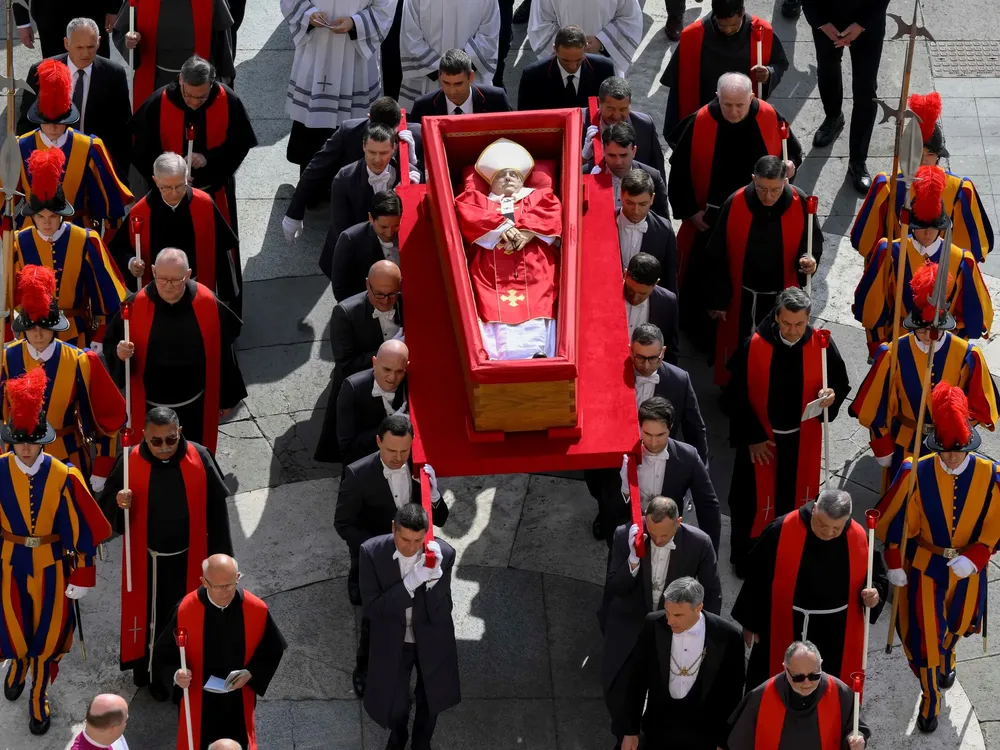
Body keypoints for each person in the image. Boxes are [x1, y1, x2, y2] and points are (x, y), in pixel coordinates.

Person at [876, 382, 1000, 733]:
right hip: (925, 567)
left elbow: (996, 524)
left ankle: (949, 656)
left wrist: (977, 554)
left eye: (957, 451)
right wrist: (894, 556)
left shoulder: (991, 476)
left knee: (957, 626)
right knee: (927, 637)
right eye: (945, 451)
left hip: (968, 571)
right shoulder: (915, 471)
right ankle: (930, 696)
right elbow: (895, 519)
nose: (951, 458)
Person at [0, 367, 111, 735]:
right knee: (15, 624)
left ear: (43, 441)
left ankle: (38, 692)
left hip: (53, 565)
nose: (25, 448)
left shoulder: (65, 475)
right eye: (19, 441)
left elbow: (82, 526)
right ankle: (18, 663)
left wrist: (84, 571)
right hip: (10, 564)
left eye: (32, 441)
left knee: (50, 632)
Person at [100, 406, 234, 699]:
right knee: (151, 623)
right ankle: (150, 672)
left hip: (190, 560)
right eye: (156, 440)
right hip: (149, 563)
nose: (164, 447)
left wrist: (224, 562)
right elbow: (107, 512)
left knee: (188, 621)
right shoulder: (130, 461)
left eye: (171, 439)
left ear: (179, 432)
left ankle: (182, 676)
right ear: (144, 435)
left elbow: (217, 514)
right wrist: (119, 504)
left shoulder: (199, 457)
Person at [725, 288, 850, 574]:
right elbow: (736, 395)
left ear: (808, 319)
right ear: (776, 318)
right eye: (786, 323)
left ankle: (789, 556)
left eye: (799, 324)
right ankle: (748, 560)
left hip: (800, 441)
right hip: (762, 442)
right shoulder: (754, 346)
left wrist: (830, 395)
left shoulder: (821, 345)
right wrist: (753, 438)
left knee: (794, 501)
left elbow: (839, 383)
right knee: (750, 502)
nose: (792, 331)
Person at [668, 72, 800, 318]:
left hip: (758, 215)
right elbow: (680, 172)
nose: (734, 111)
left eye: (740, 105)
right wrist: (691, 211)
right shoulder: (701, 121)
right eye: (727, 104)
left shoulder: (769, 116)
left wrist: (790, 164)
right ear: (717, 97)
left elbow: (791, 151)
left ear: (751, 97)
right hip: (709, 218)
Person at [851, 266, 999, 483]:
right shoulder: (893, 353)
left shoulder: (968, 355)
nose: (929, 336)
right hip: (905, 442)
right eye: (922, 330)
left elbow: (982, 404)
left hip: (948, 446)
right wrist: (882, 445)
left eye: (935, 330)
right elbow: (876, 405)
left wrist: (958, 430)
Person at [334, 415, 447, 696]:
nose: (398, 458)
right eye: (391, 450)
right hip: (378, 556)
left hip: (415, 554)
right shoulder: (357, 474)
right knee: (374, 620)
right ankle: (364, 669)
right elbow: (344, 523)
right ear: (378, 442)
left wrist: (434, 495)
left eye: (404, 451)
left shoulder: (420, 468)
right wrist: (376, 550)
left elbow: (441, 518)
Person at [733, 490, 887, 692]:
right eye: (823, 524)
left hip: (835, 632)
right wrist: (750, 622)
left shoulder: (859, 539)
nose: (828, 532)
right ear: (814, 509)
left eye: (836, 528)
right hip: (785, 622)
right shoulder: (782, 529)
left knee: (828, 689)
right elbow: (757, 576)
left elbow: (877, 578)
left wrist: (874, 595)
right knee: (773, 683)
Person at [602, 503, 723, 747]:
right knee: (621, 690)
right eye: (652, 534)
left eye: (664, 535)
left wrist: (701, 633)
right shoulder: (624, 535)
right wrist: (632, 561)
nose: (657, 541)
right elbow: (614, 588)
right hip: (631, 625)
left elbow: (712, 593)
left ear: (678, 522)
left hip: (672, 626)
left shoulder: (700, 543)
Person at [104, 248, 247, 455]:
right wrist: (120, 353)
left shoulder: (206, 302)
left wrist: (227, 397)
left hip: (195, 407)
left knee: (194, 458)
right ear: (153, 271)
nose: (168, 286)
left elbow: (224, 350)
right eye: (162, 279)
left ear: (188, 275)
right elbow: (111, 344)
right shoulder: (135, 305)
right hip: (149, 408)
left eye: (175, 280)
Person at [3, 265, 126, 490]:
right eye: (31, 327)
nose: (38, 334)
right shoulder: (5, 359)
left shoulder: (81, 360)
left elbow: (108, 418)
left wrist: (102, 464)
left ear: (55, 326)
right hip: (17, 459)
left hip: (68, 458)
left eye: (44, 326)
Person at [705, 155, 823, 386]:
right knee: (740, 349)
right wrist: (718, 299)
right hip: (743, 296)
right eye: (762, 189)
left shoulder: (799, 202)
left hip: (780, 296)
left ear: (785, 182)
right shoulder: (735, 203)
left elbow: (811, 242)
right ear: (753, 179)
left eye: (775, 190)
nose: (768, 196)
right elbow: (716, 254)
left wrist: (808, 260)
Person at [154, 554, 287, 750]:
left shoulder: (256, 608)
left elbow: (272, 649)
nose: (225, 592)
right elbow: (163, 653)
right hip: (200, 696)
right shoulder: (185, 610)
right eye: (218, 586)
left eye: (230, 584)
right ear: (204, 582)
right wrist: (177, 674)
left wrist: (251, 673)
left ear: (238, 577)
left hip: (238, 697)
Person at [854, 167, 992, 356]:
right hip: (900, 344)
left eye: (933, 227)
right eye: (921, 226)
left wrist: (952, 341)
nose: (927, 232)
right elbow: (876, 306)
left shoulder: (961, 260)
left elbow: (969, 313)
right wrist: (878, 345)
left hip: (943, 342)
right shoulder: (890, 253)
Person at [360, 504, 461, 750]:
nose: (412, 547)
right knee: (395, 704)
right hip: (393, 640)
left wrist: (433, 583)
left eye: (418, 540)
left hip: (431, 638)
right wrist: (411, 583)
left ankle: (421, 742)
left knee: (431, 701)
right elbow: (373, 609)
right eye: (405, 539)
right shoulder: (371, 552)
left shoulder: (445, 554)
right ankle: (398, 737)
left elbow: (442, 611)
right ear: (393, 528)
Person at [852, 92, 994, 263]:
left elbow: (968, 252)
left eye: (930, 154)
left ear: (938, 156)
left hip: (939, 268)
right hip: (898, 265)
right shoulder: (887, 186)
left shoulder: (959, 189)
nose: (923, 161)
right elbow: (866, 243)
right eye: (917, 154)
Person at [455, 137, 562, 360]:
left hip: (535, 269)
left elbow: (551, 210)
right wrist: (500, 227)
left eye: (514, 175)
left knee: (537, 306)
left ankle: (538, 355)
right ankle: (497, 360)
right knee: (492, 310)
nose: (508, 178)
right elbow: (468, 213)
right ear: (490, 183)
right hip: (491, 273)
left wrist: (529, 231)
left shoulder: (538, 196)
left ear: (522, 180)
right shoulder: (479, 200)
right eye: (501, 175)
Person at [130, 56, 258, 236]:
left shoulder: (228, 100)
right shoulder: (158, 103)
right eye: (188, 95)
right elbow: (141, 150)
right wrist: (171, 171)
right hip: (169, 196)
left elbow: (239, 144)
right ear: (180, 81)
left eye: (201, 97)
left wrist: (208, 159)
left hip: (213, 191)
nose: (194, 102)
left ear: (211, 84)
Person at [15, 148, 127, 349]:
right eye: (40, 216)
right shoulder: (18, 242)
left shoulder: (85, 240)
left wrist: (101, 333)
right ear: (32, 216)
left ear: (61, 214)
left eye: (52, 216)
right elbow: (9, 296)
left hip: (75, 333)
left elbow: (105, 292)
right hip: (31, 335)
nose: (46, 223)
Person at [618, 578, 745, 750]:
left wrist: (723, 742)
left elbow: (733, 694)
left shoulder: (728, 637)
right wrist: (630, 731)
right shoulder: (653, 624)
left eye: (678, 615)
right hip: (658, 731)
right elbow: (636, 679)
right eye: (667, 612)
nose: (670, 620)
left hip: (704, 737)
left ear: (698, 608)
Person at [111, 152, 240, 310]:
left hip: (197, 290)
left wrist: (226, 296)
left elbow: (222, 251)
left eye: (180, 186)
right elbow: (118, 249)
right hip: (157, 293)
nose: (174, 193)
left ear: (187, 178)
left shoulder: (204, 204)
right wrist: (131, 262)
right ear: (156, 181)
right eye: (166, 187)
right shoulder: (140, 213)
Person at [18, 58, 132, 235]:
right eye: (46, 121)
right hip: (31, 233)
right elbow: (5, 199)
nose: (53, 127)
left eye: (59, 121)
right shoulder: (20, 146)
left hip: (78, 233)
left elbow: (109, 201)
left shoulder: (89, 147)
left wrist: (108, 234)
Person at [282, 97, 420, 241]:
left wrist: (412, 161)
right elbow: (317, 167)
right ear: (369, 118)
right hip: (352, 214)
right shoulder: (349, 132)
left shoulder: (415, 135)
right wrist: (294, 213)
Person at [281, 0, 395, 170]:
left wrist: (355, 23)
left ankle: (350, 177)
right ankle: (310, 177)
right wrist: (307, 14)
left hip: (355, 53)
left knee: (352, 139)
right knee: (312, 139)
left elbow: (385, 6)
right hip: (316, 48)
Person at [18, 17, 132, 177]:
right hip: (51, 164)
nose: (85, 53)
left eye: (91, 47)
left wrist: (118, 174)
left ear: (99, 42)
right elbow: (26, 123)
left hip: (95, 166)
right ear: (66, 43)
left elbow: (122, 129)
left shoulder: (114, 74)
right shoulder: (43, 71)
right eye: (79, 47)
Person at [601, 398, 719, 550]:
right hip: (629, 533)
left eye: (660, 435)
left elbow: (708, 505)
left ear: (671, 427)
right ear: (639, 426)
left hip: (668, 536)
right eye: (647, 434)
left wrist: (710, 553)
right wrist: (625, 489)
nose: (653, 442)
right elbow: (607, 503)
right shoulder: (621, 453)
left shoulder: (688, 457)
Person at [317, 260, 404, 463]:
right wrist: (391, 350)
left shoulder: (404, 301)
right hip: (365, 392)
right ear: (367, 285)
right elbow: (346, 363)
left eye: (392, 294)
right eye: (379, 295)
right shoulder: (345, 313)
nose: (386, 301)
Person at [661, 0, 789, 138]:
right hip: (706, 115)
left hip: (743, 116)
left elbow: (779, 63)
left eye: (733, 25)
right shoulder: (694, 35)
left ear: (742, 13)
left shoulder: (762, 31)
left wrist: (769, 73)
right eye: (722, 26)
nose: (728, 30)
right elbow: (679, 85)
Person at [804, 0, 889, 193]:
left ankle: (858, 160)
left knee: (866, 89)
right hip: (827, 17)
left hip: (867, 20)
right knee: (828, 70)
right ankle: (833, 117)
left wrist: (862, 24)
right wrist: (821, 22)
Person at [728, 641, 867, 749]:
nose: (807, 683)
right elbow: (739, 740)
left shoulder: (839, 691)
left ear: (821, 665)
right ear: (785, 668)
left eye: (814, 676)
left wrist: (857, 739)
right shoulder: (762, 696)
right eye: (798, 677)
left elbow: (856, 728)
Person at [115, 0, 235, 113]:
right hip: (157, 80)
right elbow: (123, 30)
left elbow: (223, 42)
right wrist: (129, 42)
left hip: (199, 83)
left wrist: (225, 80)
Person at [328, 123, 419, 249]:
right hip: (355, 249)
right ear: (364, 147)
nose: (377, 159)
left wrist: (413, 195)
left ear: (393, 148)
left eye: (383, 153)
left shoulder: (411, 175)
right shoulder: (344, 179)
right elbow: (341, 227)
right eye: (372, 152)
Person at [398, 2, 501, 109]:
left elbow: (489, 35)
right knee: (423, 114)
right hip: (428, 80)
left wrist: (459, 71)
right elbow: (410, 35)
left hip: (469, 80)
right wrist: (440, 70)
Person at [629, 330, 707, 461]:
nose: (646, 366)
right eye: (640, 358)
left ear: (663, 352)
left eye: (653, 358)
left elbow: (695, 430)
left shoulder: (679, 381)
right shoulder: (613, 377)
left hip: (662, 462)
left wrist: (700, 469)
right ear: (630, 351)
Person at [334, 341, 409, 465]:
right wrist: (389, 427)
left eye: (399, 371)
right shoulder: (352, 389)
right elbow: (347, 446)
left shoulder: (409, 382)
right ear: (374, 362)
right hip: (367, 465)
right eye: (387, 369)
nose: (392, 377)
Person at [321, 190, 402, 297]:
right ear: (371, 218)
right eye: (383, 227)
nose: (389, 233)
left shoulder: (407, 234)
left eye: (396, 225)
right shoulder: (350, 240)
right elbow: (341, 290)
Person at [527, 0, 642, 75]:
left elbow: (630, 17)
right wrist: (566, 45)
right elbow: (540, 21)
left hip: (603, 62)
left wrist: (602, 42)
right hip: (563, 62)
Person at [581, 77, 665, 180]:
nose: (616, 116)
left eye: (623, 109)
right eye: (611, 109)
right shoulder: (578, 122)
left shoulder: (644, 126)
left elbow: (658, 171)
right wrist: (583, 157)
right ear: (600, 103)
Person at [516, 25, 615, 111]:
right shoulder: (533, 76)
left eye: (578, 60)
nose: (572, 66)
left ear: (586, 48)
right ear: (554, 49)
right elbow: (525, 117)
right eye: (566, 60)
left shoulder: (604, 69)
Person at [408, 49, 513, 122]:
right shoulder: (423, 107)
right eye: (446, 83)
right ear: (439, 76)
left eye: (458, 84)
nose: (452, 91)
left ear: (471, 77)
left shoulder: (496, 100)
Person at [592, 123, 669, 218]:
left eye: (623, 155)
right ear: (603, 151)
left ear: (634, 151)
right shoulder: (587, 174)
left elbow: (662, 221)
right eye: (612, 155)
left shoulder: (653, 177)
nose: (618, 162)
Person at [14, 0, 117, 59]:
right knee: (55, 72)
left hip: (94, 10)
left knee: (98, 72)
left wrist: (114, 8)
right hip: (51, 15)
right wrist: (22, 23)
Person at [623, 256, 679, 359]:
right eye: (630, 289)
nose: (634, 299)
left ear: (656, 283)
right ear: (625, 274)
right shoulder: (605, 294)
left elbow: (671, 349)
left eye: (642, 293)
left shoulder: (667, 303)